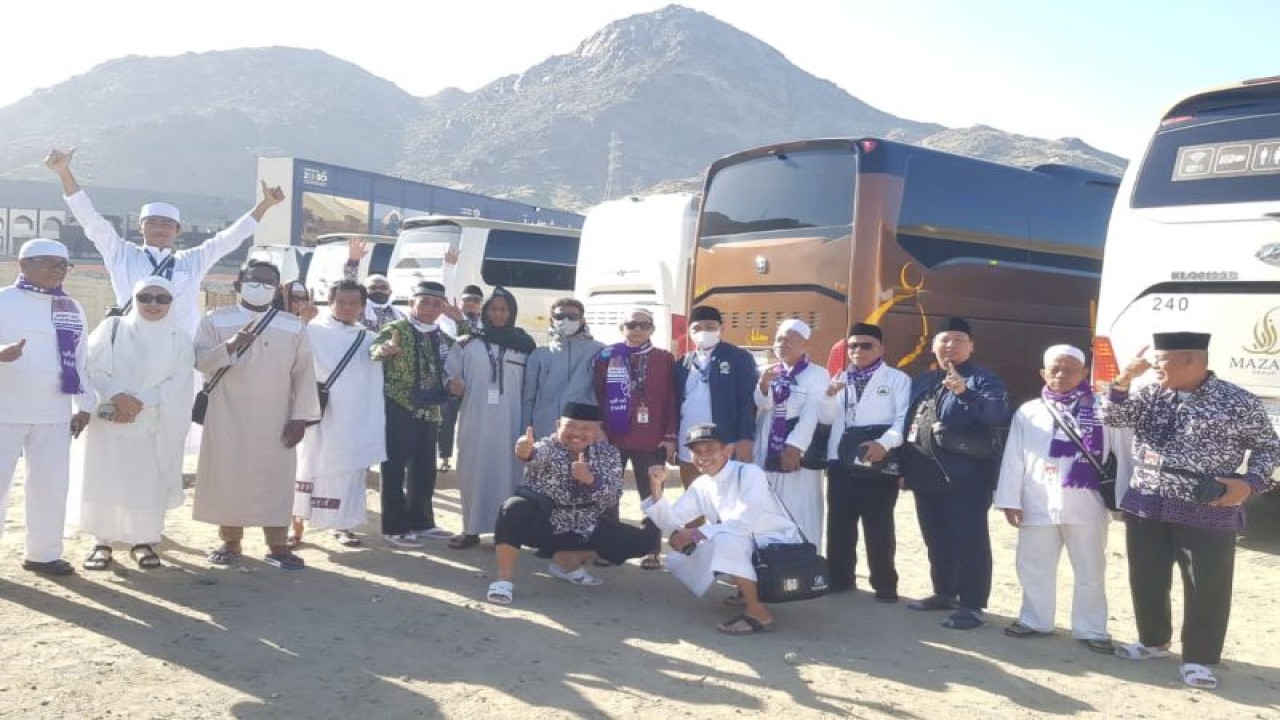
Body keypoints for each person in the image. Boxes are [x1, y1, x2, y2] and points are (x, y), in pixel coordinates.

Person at [1103, 332, 1279, 690]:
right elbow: (1113, 417)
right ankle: (1153, 641)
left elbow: (1268, 448)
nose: (1155, 365)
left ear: (1192, 360)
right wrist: (1123, 381)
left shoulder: (1236, 401)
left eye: (1162, 359)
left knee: (1205, 586)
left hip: (1206, 505)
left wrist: (1248, 484)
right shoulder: (1151, 393)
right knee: (1147, 576)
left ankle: (1199, 658)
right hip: (1148, 499)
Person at [45, 148, 286, 333]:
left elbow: (231, 237)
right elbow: (90, 219)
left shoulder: (193, 259)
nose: (160, 228)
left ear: (178, 230)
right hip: (132, 344)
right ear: (141, 227)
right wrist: (64, 173)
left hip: (179, 351)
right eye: (152, 222)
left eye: (166, 224)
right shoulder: (122, 253)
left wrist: (265, 205)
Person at [193, 260, 320, 570]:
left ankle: (278, 546)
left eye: (268, 282)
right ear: (239, 283)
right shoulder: (215, 321)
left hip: (276, 417)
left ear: (276, 289)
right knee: (229, 477)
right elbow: (199, 362)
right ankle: (230, 542)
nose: (260, 285)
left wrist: (300, 417)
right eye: (254, 279)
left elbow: (304, 375)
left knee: (274, 480)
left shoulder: (293, 325)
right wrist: (230, 345)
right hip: (228, 415)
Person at [993, 345, 1116, 653]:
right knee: (1034, 564)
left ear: (1085, 373)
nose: (1061, 375)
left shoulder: (1103, 408)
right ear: (1043, 373)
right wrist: (1010, 498)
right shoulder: (1029, 411)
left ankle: (1091, 628)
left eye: (1070, 369)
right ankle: (1035, 620)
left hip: (1087, 503)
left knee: (1090, 569)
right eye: (1055, 369)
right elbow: (1013, 459)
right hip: (1037, 499)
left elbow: (1119, 453)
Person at [68, 277, 194, 570]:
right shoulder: (113, 328)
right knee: (105, 479)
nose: (153, 304)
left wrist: (138, 402)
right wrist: (118, 396)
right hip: (110, 418)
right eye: (145, 297)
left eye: (162, 299)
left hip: (152, 422)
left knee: (146, 482)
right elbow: (92, 366)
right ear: (135, 299)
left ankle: (143, 541)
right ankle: (102, 542)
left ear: (171, 303)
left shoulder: (179, 339)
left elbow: (178, 382)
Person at [484, 402, 659, 605]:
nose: (577, 433)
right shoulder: (547, 447)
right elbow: (532, 456)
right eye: (571, 426)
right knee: (512, 509)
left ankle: (568, 561)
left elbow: (613, 497)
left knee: (646, 540)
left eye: (585, 428)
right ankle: (504, 580)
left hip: (584, 529)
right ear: (558, 425)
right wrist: (524, 451)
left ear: (597, 431)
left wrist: (591, 480)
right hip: (546, 525)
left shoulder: (609, 454)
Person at [899, 317, 1010, 630]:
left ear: (972, 346)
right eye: (944, 340)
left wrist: (965, 393)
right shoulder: (922, 381)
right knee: (936, 538)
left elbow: (997, 414)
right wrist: (902, 467)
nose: (950, 346)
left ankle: (972, 604)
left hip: (967, 477)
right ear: (934, 346)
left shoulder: (984, 380)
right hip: (924, 474)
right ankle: (944, 593)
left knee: (970, 541)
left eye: (958, 340)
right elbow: (908, 423)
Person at [643, 423, 803, 635]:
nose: (703, 457)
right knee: (686, 554)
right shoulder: (703, 484)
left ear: (727, 450)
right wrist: (656, 487)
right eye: (697, 452)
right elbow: (671, 521)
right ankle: (745, 590)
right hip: (746, 541)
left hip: (776, 542)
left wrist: (696, 532)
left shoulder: (749, 472)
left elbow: (745, 520)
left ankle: (758, 612)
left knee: (722, 541)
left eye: (711, 449)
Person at [0, 239, 93, 576]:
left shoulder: (72, 307)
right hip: (4, 412)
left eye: (62, 264)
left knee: (51, 487)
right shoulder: (3, 300)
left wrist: (85, 404)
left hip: (53, 414)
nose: (56, 269)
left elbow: (81, 360)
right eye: (46, 262)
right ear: (21, 266)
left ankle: (43, 554)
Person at [819, 322, 911, 600]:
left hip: (877, 462)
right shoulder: (838, 378)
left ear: (881, 348)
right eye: (852, 346)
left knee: (879, 525)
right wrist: (828, 396)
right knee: (839, 524)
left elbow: (902, 420)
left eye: (866, 345)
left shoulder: (897, 379)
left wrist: (884, 444)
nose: (858, 350)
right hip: (840, 461)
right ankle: (840, 578)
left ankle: (884, 584)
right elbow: (824, 419)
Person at [291, 280, 386, 548]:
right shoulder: (312, 330)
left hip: (351, 419)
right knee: (305, 466)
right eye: (341, 301)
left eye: (353, 303)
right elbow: (289, 353)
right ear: (330, 302)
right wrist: (302, 323)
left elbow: (371, 381)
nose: (347, 307)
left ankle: (343, 526)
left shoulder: (369, 339)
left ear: (363, 306)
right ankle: (295, 526)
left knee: (347, 472)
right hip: (315, 413)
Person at [371, 281, 466, 547]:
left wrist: (461, 321)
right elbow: (374, 349)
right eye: (424, 302)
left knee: (425, 468)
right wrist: (384, 350)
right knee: (393, 468)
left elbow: (467, 349)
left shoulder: (443, 338)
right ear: (412, 303)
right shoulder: (396, 329)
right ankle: (394, 526)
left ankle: (422, 522)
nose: (429, 308)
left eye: (436, 304)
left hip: (431, 409)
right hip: (399, 405)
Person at [445, 287, 536, 549]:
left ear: (512, 312)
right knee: (473, 472)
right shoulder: (467, 342)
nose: (498, 314)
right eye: (493, 309)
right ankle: (471, 529)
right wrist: (453, 384)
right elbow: (450, 375)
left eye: (503, 309)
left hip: (512, 423)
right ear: (485, 312)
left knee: (511, 474)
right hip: (476, 421)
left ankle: (508, 532)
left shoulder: (525, 345)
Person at [591, 308, 679, 570]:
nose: (637, 329)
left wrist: (670, 436)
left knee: (652, 496)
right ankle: (610, 549)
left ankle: (650, 550)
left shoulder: (663, 358)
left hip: (651, 439)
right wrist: (598, 427)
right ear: (622, 328)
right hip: (613, 437)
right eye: (632, 324)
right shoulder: (608, 356)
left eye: (644, 324)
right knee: (608, 495)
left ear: (652, 329)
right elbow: (597, 394)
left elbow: (672, 399)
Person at [752, 319, 829, 545]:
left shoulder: (817, 374)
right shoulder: (767, 371)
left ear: (805, 345)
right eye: (779, 339)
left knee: (799, 505)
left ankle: (803, 558)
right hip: (765, 447)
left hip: (797, 451)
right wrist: (764, 386)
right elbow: (760, 406)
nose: (783, 344)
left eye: (790, 339)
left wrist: (795, 447)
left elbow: (812, 414)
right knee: (763, 503)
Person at [674, 306, 757, 486]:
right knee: (693, 498)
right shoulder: (683, 362)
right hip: (689, 444)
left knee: (726, 501)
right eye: (697, 328)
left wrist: (745, 438)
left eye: (710, 327)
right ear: (689, 331)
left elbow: (747, 401)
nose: (703, 332)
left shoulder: (739, 357)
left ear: (721, 328)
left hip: (725, 443)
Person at [523, 297, 604, 439]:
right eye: (560, 316)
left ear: (582, 320)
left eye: (572, 317)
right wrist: (526, 432)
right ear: (551, 320)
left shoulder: (600, 352)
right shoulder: (539, 355)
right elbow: (528, 399)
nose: (565, 321)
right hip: (545, 433)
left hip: (583, 435)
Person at [437, 284, 483, 473]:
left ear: (480, 304)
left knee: (474, 421)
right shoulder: (447, 321)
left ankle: (472, 457)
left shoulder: (485, 324)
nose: (471, 304)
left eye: (475, 300)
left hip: (476, 380)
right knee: (447, 420)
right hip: (452, 380)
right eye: (467, 300)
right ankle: (444, 457)